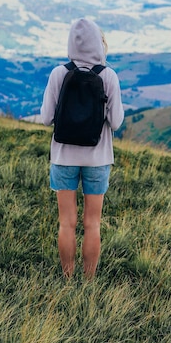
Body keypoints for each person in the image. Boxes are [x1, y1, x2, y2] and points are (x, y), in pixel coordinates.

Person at [40, 18, 124, 279]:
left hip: (64, 157)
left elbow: (45, 118)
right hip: (98, 159)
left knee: (67, 222)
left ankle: (67, 279)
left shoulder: (59, 73)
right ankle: (88, 283)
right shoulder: (108, 76)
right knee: (92, 223)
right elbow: (117, 122)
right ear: (99, 44)